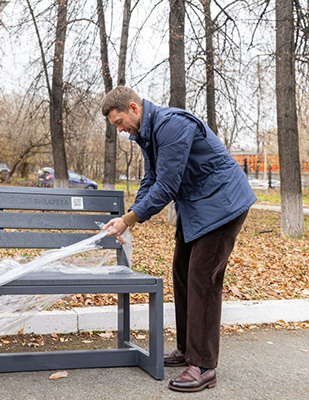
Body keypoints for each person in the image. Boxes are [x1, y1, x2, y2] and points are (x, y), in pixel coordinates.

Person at [100, 87, 256, 393]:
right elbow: (151, 180)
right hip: (199, 206)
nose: (120, 130)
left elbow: (168, 185)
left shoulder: (172, 125)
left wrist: (129, 220)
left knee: (203, 278)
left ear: (133, 107)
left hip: (223, 204)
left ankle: (204, 365)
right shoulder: (146, 133)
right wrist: (131, 215)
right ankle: (188, 350)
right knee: (182, 272)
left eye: (120, 122)